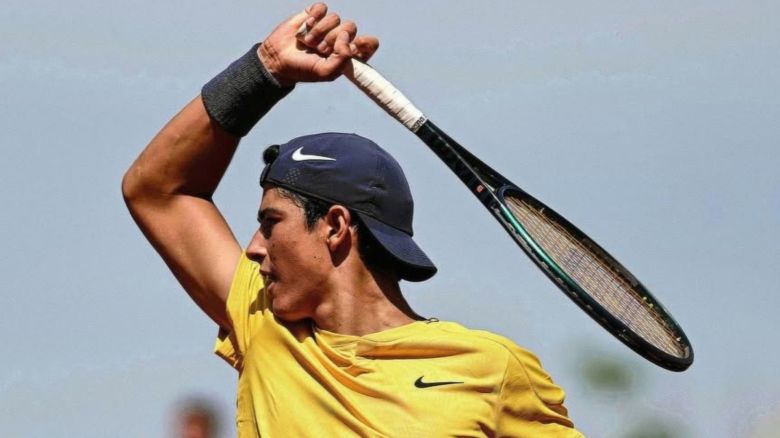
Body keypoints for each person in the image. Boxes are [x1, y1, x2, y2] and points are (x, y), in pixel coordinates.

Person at [123, 3, 584, 437]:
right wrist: (266, 68)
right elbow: (156, 190)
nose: (254, 247)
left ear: (336, 227)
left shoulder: (491, 369)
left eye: (271, 223)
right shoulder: (265, 324)